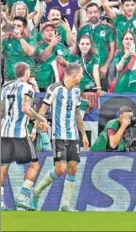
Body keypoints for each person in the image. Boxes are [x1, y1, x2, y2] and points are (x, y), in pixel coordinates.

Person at [33, 63, 89, 212]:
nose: (82, 76)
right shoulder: (55, 88)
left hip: (73, 136)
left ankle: (65, 204)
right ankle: (37, 191)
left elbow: (77, 114)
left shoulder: (77, 91)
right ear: (74, 75)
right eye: (81, 74)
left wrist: (83, 134)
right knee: (60, 169)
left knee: (73, 168)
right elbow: (43, 109)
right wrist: (34, 128)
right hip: (58, 135)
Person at [0, 63, 47, 211]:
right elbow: (26, 109)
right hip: (20, 132)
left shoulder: (5, 88)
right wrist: (42, 119)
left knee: (3, 167)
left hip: (5, 132)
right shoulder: (27, 88)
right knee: (34, 165)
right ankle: (22, 197)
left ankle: (1, 202)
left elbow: (1, 110)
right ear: (27, 74)